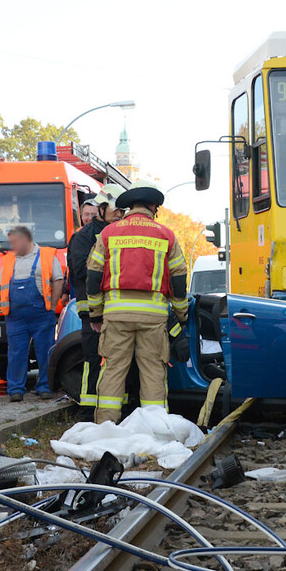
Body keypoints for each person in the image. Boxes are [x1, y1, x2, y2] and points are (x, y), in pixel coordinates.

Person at [86, 180, 188, 424]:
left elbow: (93, 276)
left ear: (129, 207)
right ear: (154, 206)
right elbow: (179, 281)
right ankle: (156, 429)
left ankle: (106, 427)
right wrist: (181, 315)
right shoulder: (166, 235)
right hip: (153, 317)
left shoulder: (109, 233)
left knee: (112, 371)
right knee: (153, 372)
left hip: (116, 316)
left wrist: (95, 314)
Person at [67, 184, 124, 418]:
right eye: (115, 209)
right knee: (93, 359)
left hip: (118, 308)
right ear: (101, 208)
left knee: (119, 360)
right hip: (91, 311)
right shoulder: (83, 237)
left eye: (122, 210)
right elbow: (79, 272)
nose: (120, 214)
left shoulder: (122, 234)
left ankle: (122, 409)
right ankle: (88, 411)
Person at [0, 226, 63, 402]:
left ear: (24, 240)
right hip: (15, 316)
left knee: (44, 351)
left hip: (42, 314)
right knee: (16, 353)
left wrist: (52, 306)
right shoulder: (8, 260)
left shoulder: (47, 255)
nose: (12, 246)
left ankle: (45, 387)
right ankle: (15, 390)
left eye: (13, 242)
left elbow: (58, 280)